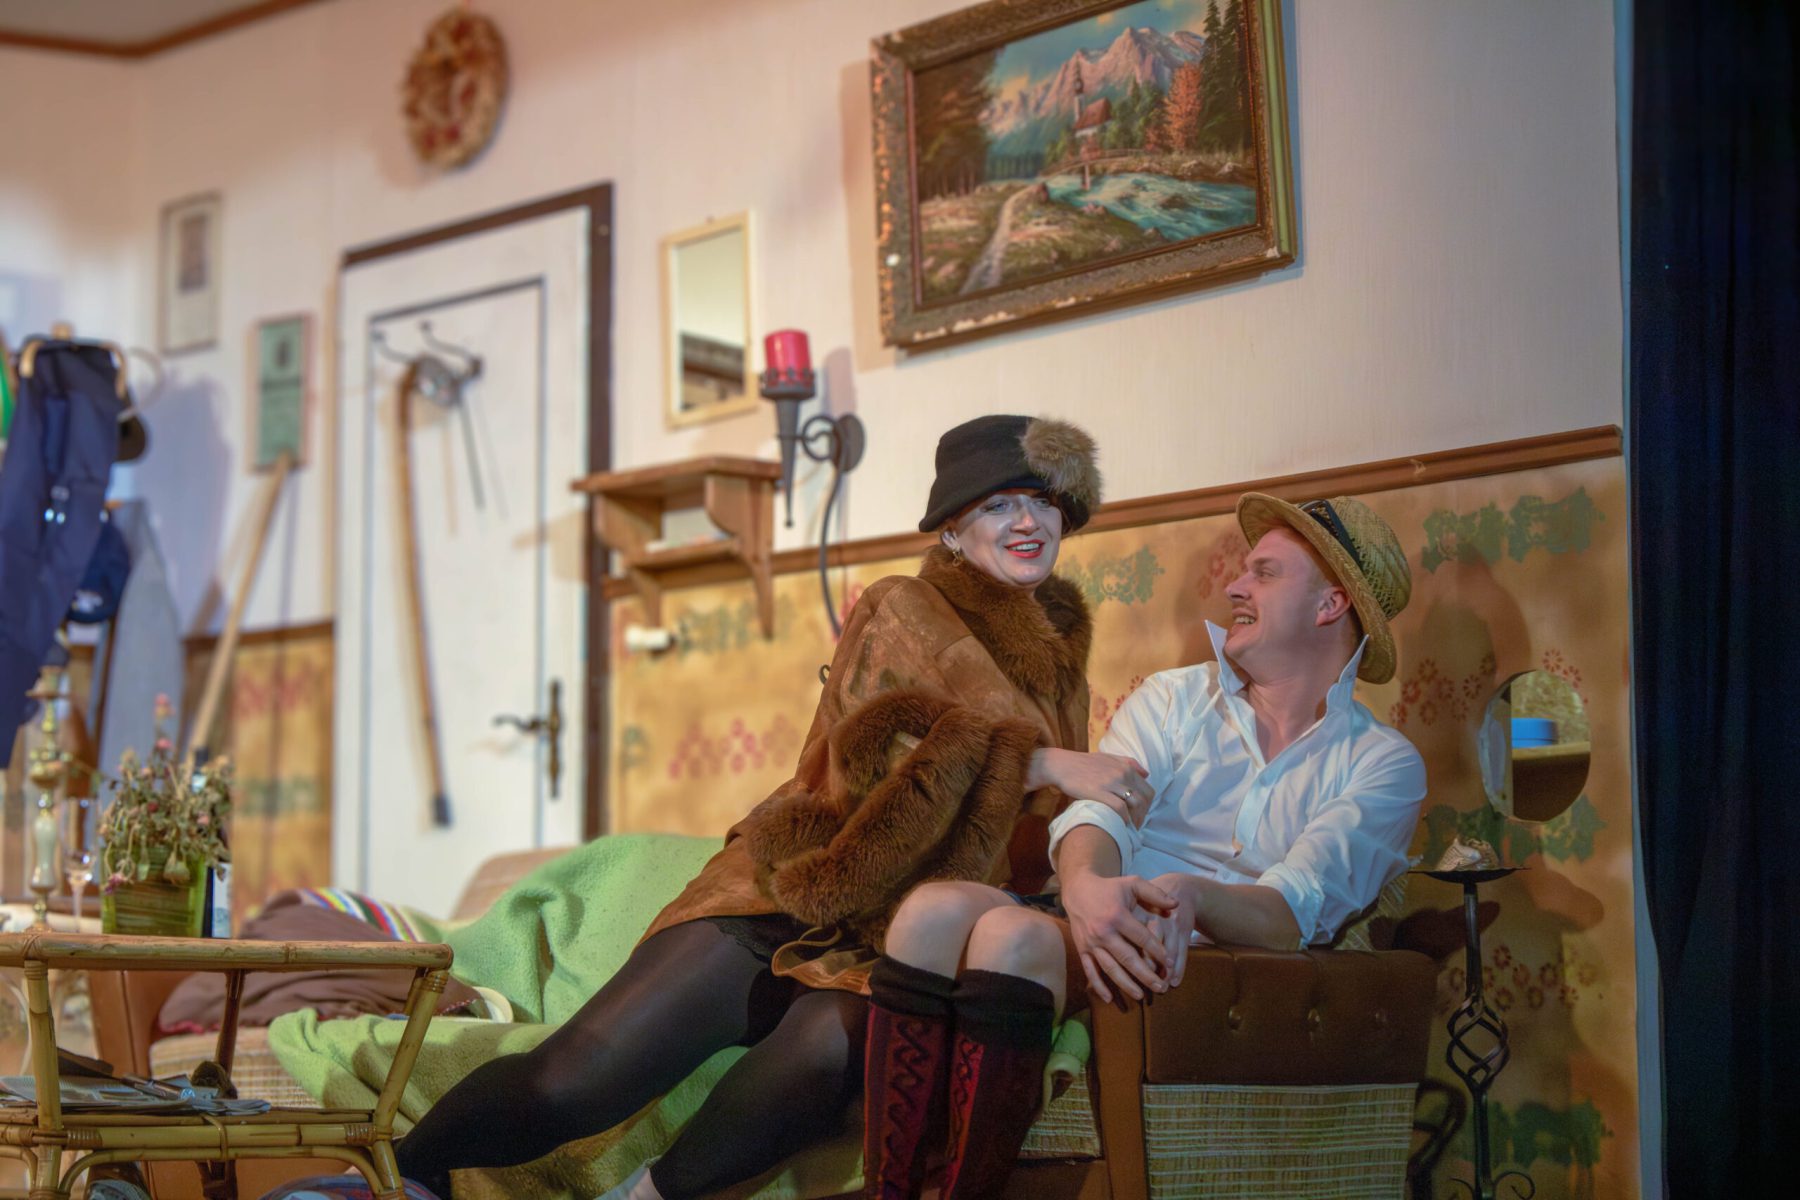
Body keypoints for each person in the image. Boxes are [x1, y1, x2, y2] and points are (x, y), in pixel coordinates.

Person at [394, 414, 1145, 1200]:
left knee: (824, 1053)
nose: (1027, 521)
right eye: (997, 505)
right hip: (792, 888)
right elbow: (870, 762)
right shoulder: (901, 605)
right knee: (578, 1080)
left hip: (897, 943)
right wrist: (1039, 761)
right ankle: (396, 1175)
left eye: (1043, 501)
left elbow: (1038, 830)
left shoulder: (1060, 662)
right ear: (952, 529)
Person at [862, 492, 1427, 1200]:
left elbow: (1292, 912)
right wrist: (1085, 886)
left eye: (1264, 573)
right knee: (930, 910)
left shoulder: (1383, 762)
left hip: (1207, 953)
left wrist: (1192, 895)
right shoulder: (1174, 698)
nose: (1235, 587)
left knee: (1011, 934)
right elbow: (1101, 811)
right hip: (1100, 910)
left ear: (1330, 604)